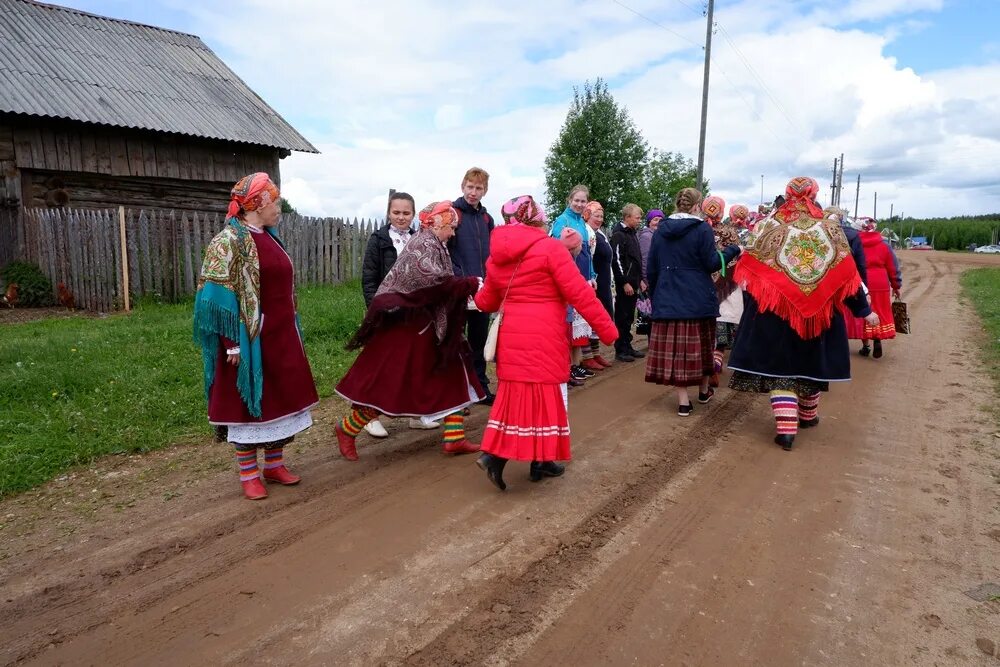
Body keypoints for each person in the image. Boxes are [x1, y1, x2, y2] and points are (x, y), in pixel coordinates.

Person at [472, 196, 617, 491]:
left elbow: (485, 301)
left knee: (516, 402)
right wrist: (607, 329)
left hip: (513, 337)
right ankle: (539, 461)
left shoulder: (497, 255)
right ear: (537, 218)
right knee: (548, 401)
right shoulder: (550, 248)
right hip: (545, 336)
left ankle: (497, 457)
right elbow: (580, 293)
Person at [728, 177, 878, 451]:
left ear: (787, 195)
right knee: (811, 365)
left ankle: (786, 430)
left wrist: (753, 304)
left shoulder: (768, 227)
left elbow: (748, 269)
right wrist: (864, 310)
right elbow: (847, 274)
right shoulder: (831, 230)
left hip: (775, 313)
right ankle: (808, 416)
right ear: (814, 194)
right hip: (819, 315)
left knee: (781, 369)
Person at [194, 173, 318, 500]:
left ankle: (274, 465)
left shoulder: (270, 236)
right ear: (258, 204)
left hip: (281, 335)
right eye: (274, 201)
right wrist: (231, 341)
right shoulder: (228, 241)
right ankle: (249, 473)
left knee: (281, 400)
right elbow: (215, 297)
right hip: (249, 339)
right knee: (248, 406)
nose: (278, 207)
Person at [334, 201, 484, 460]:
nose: (453, 233)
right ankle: (347, 428)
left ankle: (454, 437)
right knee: (393, 384)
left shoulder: (434, 243)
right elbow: (435, 282)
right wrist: (470, 283)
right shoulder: (424, 243)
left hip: (430, 324)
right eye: (452, 227)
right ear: (439, 223)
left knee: (452, 372)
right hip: (412, 327)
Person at [645, 188, 741, 416]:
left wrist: (657, 295)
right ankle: (704, 390)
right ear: (698, 206)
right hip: (698, 299)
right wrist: (732, 251)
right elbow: (711, 264)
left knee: (677, 352)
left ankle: (683, 402)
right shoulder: (701, 229)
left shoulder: (661, 230)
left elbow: (652, 269)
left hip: (669, 300)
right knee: (702, 348)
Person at [360, 191, 440, 437]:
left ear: (414, 215)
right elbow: (369, 278)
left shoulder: (420, 239)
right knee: (383, 366)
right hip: (387, 311)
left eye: (406, 213)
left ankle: (416, 415)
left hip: (414, 312)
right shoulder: (379, 240)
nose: (401, 217)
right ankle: (367, 416)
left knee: (416, 363)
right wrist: (377, 308)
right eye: (396, 212)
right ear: (388, 213)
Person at [448, 167, 495, 404]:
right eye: (470, 186)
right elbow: (446, 251)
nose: (473, 192)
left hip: (483, 290)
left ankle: (480, 387)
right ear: (462, 186)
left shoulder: (487, 218)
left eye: (478, 188)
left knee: (479, 339)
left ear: (485, 191)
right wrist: (460, 279)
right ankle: (456, 391)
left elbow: (493, 254)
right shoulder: (453, 213)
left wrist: (489, 280)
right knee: (456, 340)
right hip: (459, 289)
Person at [846, 219, 901, 358]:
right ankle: (877, 337)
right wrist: (896, 285)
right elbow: (893, 267)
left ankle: (866, 346)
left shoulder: (853, 243)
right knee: (879, 311)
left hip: (861, 281)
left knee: (864, 310)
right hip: (881, 283)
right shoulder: (884, 245)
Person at [610, 203, 647, 362]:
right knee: (622, 316)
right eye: (637, 217)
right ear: (627, 217)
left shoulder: (632, 233)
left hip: (634, 282)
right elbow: (616, 260)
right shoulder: (619, 234)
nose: (639, 220)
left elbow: (636, 259)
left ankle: (628, 345)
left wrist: (639, 280)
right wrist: (624, 282)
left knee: (629, 317)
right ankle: (620, 349)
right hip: (625, 284)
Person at [584, 201, 615, 369]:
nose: (599, 219)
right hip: (592, 281)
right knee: (589, 318)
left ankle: (596, 353)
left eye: (601, 216)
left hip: (603, 281)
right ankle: (587, 355)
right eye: (596, 215)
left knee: (599, 316)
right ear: (588, 215)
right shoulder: (586, 232)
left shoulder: (600, 234)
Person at [638, 209, 664, 281]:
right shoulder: (646, 237)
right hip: (650, 279)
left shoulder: (660, 235)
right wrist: (645, 280)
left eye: (661, 220)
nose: (658, 222)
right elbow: (644, 260)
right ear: (649, 222)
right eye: (655, 220)